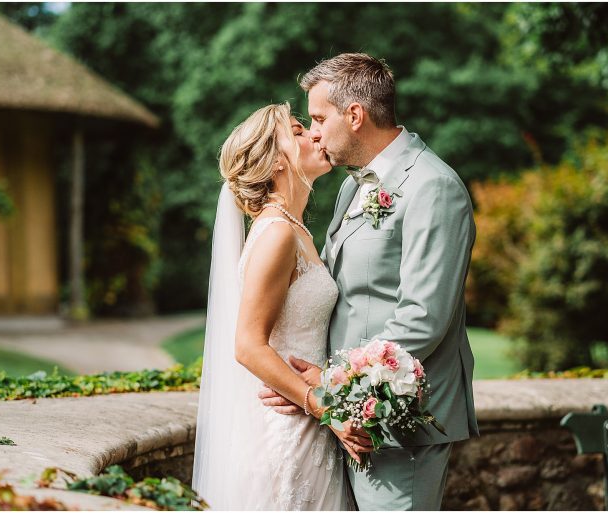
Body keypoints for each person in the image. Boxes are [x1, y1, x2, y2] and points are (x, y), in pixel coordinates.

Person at [260, 53, 479, 510]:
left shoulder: (433, 187)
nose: (314, 130)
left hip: (401, 425)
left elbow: (423, 318)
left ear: (355, 115)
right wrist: (310, 392)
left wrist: (333, 387)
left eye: (319, 117)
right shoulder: (351, 185)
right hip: (351, 420)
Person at [191, 103, 368, 510]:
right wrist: (322, 405)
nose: (316, 135)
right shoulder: (277, 234)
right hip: (290, 427)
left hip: (309, 421)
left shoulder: (296, 230)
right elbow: (248, 346)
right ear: (275, 162)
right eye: (299, 131)